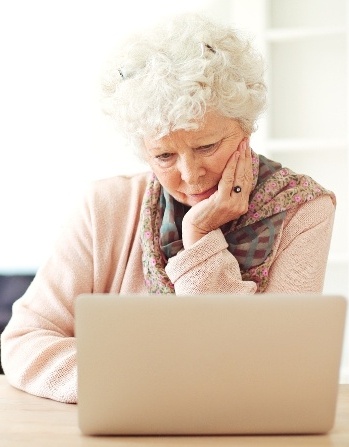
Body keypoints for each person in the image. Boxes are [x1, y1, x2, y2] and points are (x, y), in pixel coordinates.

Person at [1, 13, 335, 403]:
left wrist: (199, 240)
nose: (191, 176)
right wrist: (131, 383)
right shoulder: (105, 206)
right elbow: (23, 342)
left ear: (246, 127)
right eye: (163, 155)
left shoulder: (303, 209)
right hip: (128, 418)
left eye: (207, 147)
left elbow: (267, 366)